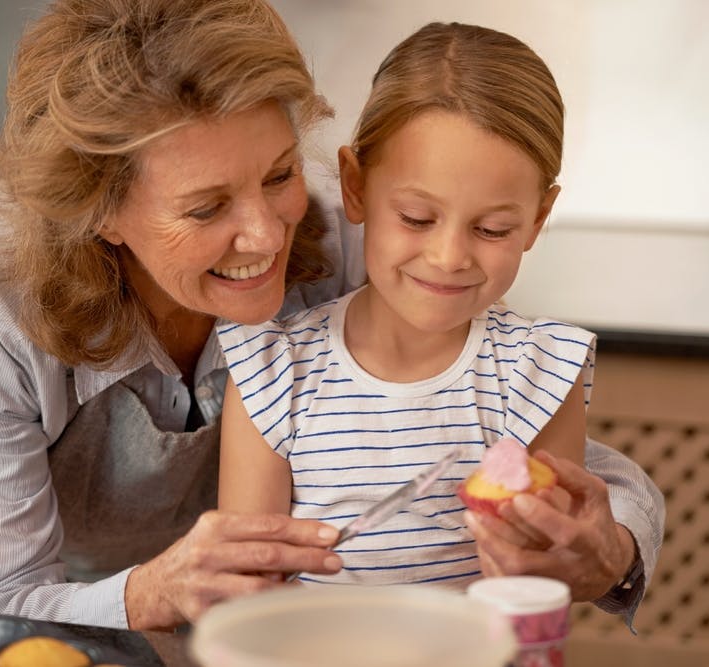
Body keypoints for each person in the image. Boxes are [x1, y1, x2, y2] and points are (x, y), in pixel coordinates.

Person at [0, 0, 662, 632]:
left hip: (188, 592)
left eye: (275, 173)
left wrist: (609, 547)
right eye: (205, 207)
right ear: (101, 212)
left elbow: (520, 432)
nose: (267, 234)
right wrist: (150, 588)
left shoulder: (351, 236)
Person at [218, 20, 655, 624]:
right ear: (355, 186)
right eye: (418, 217)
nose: (449, 257)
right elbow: (247, 602)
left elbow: (538, 592)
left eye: (492, 229)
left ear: (538, 218)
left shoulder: (540, 372)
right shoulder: (273, 370)